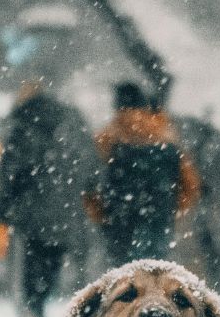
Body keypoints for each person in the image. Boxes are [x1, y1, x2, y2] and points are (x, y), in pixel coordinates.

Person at [0, 83, 96, 317]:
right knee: (39, 299)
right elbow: (94, 176)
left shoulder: (25, 129)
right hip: (66, 227)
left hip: (30, 225)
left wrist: (4, 212)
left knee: (25, 302)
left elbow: (10, 174)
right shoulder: (75, 128)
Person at [85, 81, 200, 266]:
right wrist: (172, 208)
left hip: (118, 219)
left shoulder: (106, 139)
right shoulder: (167, 137)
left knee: (125, 279)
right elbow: (191, 186)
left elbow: (90, 185)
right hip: (159, 216)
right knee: (154, 274)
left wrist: (101, 214)